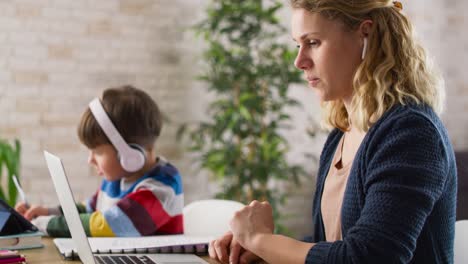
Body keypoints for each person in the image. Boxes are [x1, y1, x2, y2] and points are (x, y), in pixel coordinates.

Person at [209, 0, 457, 263]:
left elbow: (370, 257)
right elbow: (334, 245)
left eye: (313, 42)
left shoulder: (412, 133)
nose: (299, 61)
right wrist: (260, 249)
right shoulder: (342, 133)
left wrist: (261, 239)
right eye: (297, 45)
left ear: (365, 34)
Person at [15, 85, 184, 237]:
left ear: (129, 155)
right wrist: (47, 212)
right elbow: (89, 208)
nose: (90, 159)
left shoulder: (162, 187)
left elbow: (110, 224)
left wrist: (43, 224)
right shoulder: (117, 180)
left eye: (97, 151)